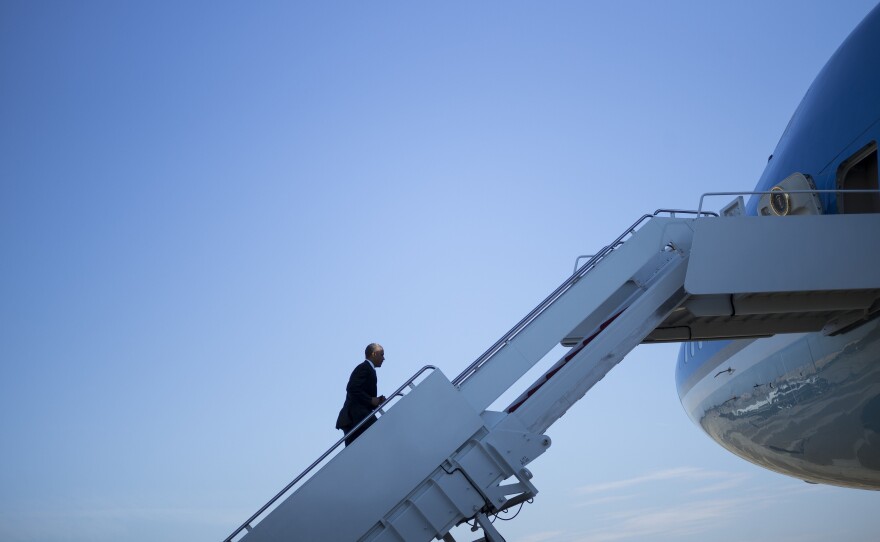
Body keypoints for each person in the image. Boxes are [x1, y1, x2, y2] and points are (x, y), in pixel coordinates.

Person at [335, 343, 387, 446]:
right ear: (374, 354)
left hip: (358, 416)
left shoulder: (368, 369)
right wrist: (371, 400)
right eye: (381, 354)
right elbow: (352, 388)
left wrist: (376, 401)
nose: (383, 358)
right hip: (354, 417)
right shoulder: (364, 368)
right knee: (378, 434)